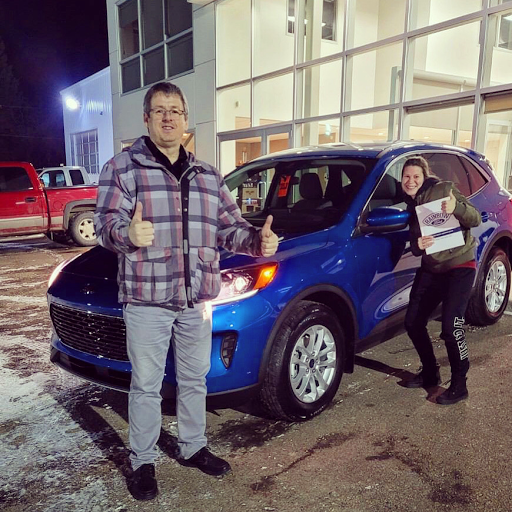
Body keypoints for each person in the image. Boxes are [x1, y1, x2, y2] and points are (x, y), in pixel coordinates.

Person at [94, 81, 279, 501]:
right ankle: (143, 460)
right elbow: (105, 225)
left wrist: (258, 242)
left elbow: (230, 229)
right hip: (147, 299)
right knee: (146, 384)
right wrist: (127, 234)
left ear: (185, 120)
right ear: (147, 118)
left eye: (175, 111)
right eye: (160, 110)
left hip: (197, 298)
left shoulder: (207, 175)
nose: (168, 118)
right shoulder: (123, 168)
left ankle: (193, 446)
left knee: (195, 378)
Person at [400, 156, 481, 405]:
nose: (410, 181)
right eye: (406, 177)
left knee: (451, 328)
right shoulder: (411, 204)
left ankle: (460, 384)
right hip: (432, 268)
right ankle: (430, 372)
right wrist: (418, 244)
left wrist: (456, 207)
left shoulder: (444, 190)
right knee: (413, 322)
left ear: (424, 177)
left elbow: (475, 218)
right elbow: (416, 247)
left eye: (416, 176)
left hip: (460, 266)